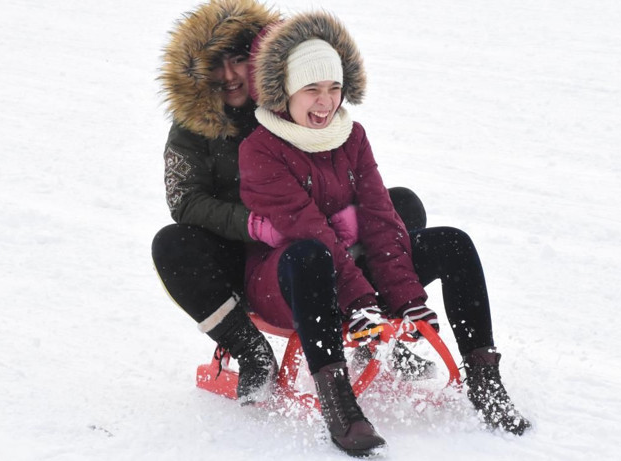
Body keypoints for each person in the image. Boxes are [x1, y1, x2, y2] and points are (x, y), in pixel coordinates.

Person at [238, 11, 532, 456]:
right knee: (312, 254)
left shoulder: (351, 135)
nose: (325, 102)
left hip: (349, 267)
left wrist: (407, 300)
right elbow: (310, 229)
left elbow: (379, 217)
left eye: (334, 88)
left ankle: (485, 382)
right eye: (312, 89)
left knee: (453, 242)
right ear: (285, 92)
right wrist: (361, 301)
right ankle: (340, 406)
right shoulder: (259, 148)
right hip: (287, 280)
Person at [152, 0, 430, 406]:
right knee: (172, 244)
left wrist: (343, 213)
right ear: (197, 72)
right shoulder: (192, 126)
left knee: (399, 205)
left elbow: (341, 163)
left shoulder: (291, 102)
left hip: (319, 234)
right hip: (248, 251)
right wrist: (251, 223)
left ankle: (378, 322)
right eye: (216, 64)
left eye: (239, 59)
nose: (230, 75)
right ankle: (250, 350)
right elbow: (185, 199)